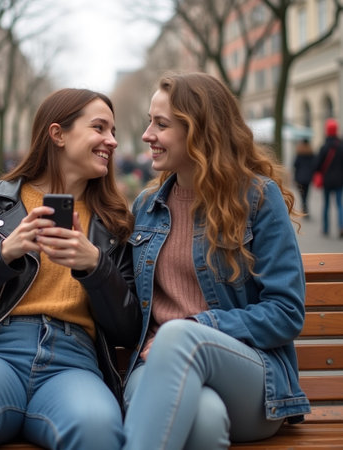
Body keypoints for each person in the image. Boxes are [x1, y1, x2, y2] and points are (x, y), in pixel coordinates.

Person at [0, 88, 141, 450]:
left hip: (73, 362)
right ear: (58, 134)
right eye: (99, 128)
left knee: (97, 428)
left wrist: (95, 266)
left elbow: (129, 327)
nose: (111, 141)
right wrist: (3, 254)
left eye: (113, 132)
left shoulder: (116, 224)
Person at [122, 72, 310, 450]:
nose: (147, 135)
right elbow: (126, 309)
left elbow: (286, 313)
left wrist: (198, 325)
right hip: (158, 366)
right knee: (204, 422)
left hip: (249, 374)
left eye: (161, 124)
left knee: (179, 335)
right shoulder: (146, 207)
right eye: (149, 121)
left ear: (200, 130)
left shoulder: (257, 198)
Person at [314, 118, 343, 238]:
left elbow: (317, 164)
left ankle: (326, 228)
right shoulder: (341, 146)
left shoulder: (324, 147)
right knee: (339, 204)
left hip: (326, 180)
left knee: (326, 204)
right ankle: (341, 227)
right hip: (340, 180)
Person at [293, 138, 315, 216]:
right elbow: (314, 165)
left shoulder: (299, 153)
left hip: (299, 177)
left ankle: (304, 206)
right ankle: (305, 206)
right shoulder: (311, 153)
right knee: (306, 193)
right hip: (308, 177)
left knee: (301, 193)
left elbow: (295, 165)